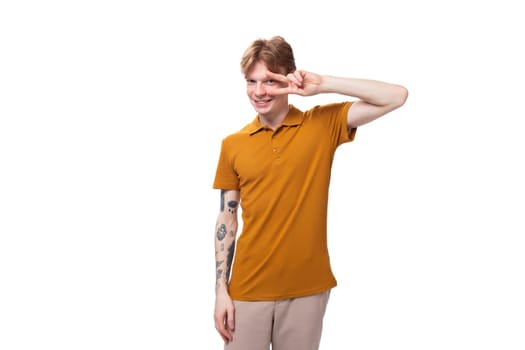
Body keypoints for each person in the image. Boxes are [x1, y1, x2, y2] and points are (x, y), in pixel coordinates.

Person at [212, 36, 408, 350]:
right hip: (247, 290)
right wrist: (221, 290)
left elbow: (396, 96)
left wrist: (323, 84)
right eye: (251, 81)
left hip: (307, 289)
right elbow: (227, 218)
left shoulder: (321, 124)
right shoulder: (233, 144)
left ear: (289, 78)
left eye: (270, 81)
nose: (259, 91)